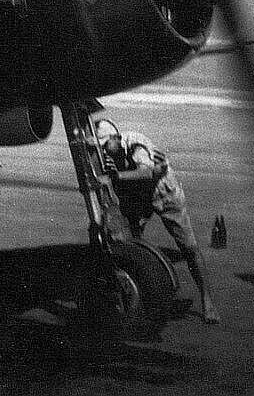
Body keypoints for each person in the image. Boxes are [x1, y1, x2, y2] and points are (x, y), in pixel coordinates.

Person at [95, 119, 221, 324]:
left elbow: (146, 172)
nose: (104, 150)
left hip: (165, 194)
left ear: (116, 137)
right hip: (139, 197)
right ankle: (143, 293)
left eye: (106, 144)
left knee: (189, 248)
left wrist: (116, 176)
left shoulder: (135, 143)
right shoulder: (109, 153)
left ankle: (207, 300)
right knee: (132, 245)